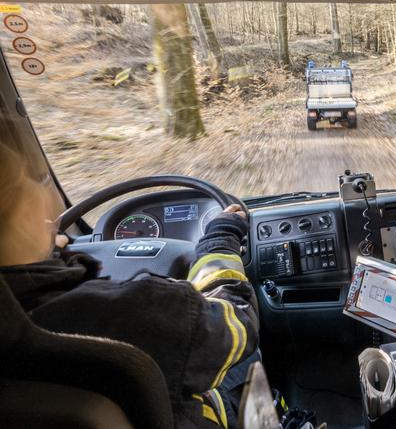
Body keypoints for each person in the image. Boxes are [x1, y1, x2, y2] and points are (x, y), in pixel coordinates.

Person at [0, 138, 259, 429]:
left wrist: (50, 256)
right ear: (22, 218)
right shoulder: (133, 309)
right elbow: (236, 321)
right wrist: (220, 241)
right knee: (246, 360)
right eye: (29, 182)